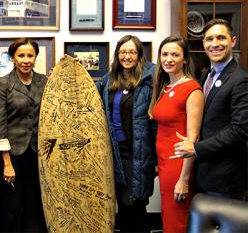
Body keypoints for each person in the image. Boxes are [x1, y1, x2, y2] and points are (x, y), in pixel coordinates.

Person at [173, 18, 248, 200]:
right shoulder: (206, 74)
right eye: (209, 39)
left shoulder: (241, 79)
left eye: (221, 38)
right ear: (203, 43)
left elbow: (240, 130)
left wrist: (197, 148)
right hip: (204, 173)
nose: (214, 44)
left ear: (233, 41)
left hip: (225, 179)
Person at [95, 35, 156, 232]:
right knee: (122, 204)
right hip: (114, 153)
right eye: (123, 52)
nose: (127, 56)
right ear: (117, 54)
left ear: (139, 55)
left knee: (135, 203)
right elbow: (88, 93)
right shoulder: (109, 79)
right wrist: (72, 71)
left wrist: (155, 158)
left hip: (137, 152)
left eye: (131, 52)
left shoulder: (149, 79)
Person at [149, 36, 204, 232]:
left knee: (177, 220)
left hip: (179, 165)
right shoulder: (166, 87)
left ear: (185, 59)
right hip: (164, 162)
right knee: (168, 214)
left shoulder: (192, 89)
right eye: (164, 54)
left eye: (175, 54)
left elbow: (193, 140)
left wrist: (184, 179)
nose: (168, 59)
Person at [0, 38, 47, 232]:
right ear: (13, 58)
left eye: (30, 55)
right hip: (11, 156)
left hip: (37, 155)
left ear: (35, 57)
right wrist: (7, 163)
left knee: (35, 206)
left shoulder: (44, 81)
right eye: (21, 55)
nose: (26, 60)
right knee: (11, 208)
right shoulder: (3, 84)